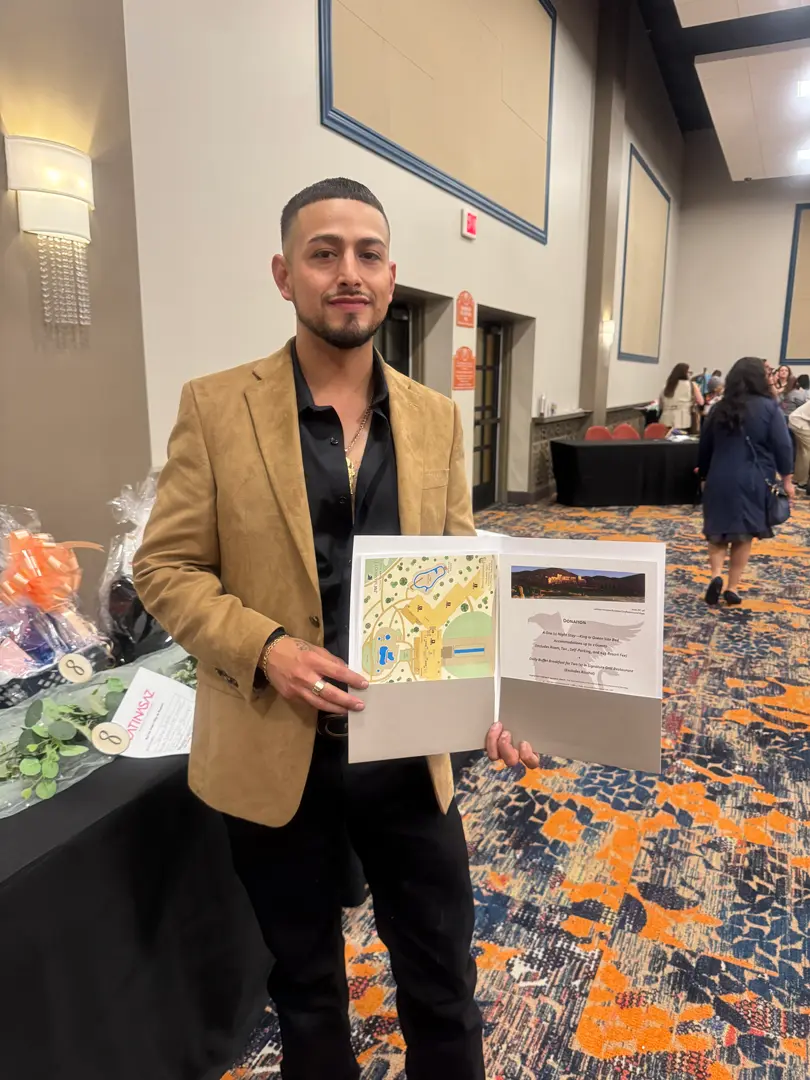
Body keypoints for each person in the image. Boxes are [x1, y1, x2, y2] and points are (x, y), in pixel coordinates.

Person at [133, 177, 537, 1080]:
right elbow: (163, 567)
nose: (347, 272)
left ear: (391, 278)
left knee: (444, 982)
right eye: (323, 254)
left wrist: (494, 696)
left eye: (367, 254)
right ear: (285, 275)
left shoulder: (434, 418)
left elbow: (461, 575)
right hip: (275, 750)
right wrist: (265, 648)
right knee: (307, 987)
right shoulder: (215, 406)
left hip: (407, 751)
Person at [699, 356, 795, 607]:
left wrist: (704, 475)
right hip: (753, 479)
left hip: (719, 476)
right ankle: (732, 587)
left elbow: (705, 445)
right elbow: (783, 446)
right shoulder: (769, 407)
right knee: (743, 535)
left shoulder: (719, 407)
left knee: (717, 531)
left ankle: (716, 575)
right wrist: (787, 479)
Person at [660, 362, 703, 430]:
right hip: (682, 420)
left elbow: (661, 404)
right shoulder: (691, 385)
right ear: (685, 373)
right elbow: (701, 402)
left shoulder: (667, 385)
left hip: (665, 419)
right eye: (689, 372)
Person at [789, 394, 810, 491]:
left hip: (796, 420)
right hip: (799, 422)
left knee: (802, 452)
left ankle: (798, 479)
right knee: (807, 452)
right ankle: (802, 482)